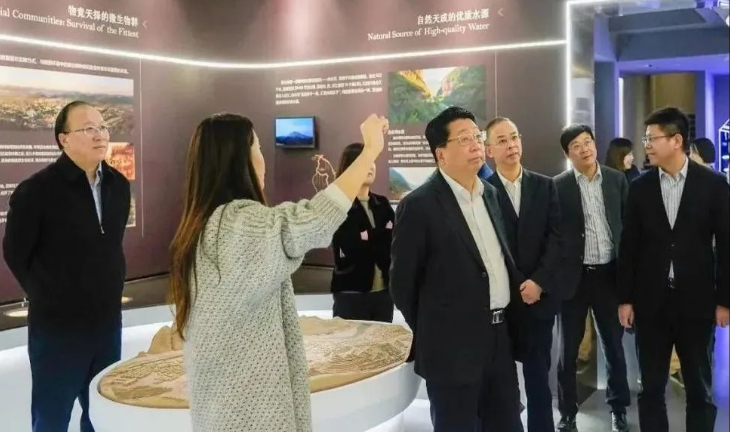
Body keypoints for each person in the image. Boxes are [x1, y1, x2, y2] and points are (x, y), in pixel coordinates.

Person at [167, 113, 388, 432]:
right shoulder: (237, 223)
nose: (263, 158)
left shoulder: (206, 226)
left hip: (224, 409)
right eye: (257, 147)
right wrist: (369, 151)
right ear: (239, 159)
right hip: (251, 414)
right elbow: (314, 220)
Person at [390, 106, 525, 432]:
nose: (476, 144)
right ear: (441, 154)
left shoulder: (491, 194)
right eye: (464, 139)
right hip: (451, 349)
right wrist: (438, 330)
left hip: (499, 339)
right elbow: (403, 285)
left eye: (477, 136)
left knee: (507, 423)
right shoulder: (418, 205)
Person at [2, 101, 131, 432]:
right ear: (64, 139)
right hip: (57, 331)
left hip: (106, 323)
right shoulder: (36, 191)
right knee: (51, 418)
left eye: (103, 127)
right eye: (88, 129)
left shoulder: (119, 185)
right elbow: (15, 253)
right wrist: (49, 294)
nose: (100, 135)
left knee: (102, 415)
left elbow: (111, 245)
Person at [618, 107, 729, 432]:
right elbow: (629, 246)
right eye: (646, 139)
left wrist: (724, 300)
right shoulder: (640, 187)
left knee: (699, 389)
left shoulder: (713, 184)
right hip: (650, 303)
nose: (647, 146)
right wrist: (625, 298)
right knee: (651, 389)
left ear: (676, 140)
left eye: (652, 139)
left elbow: (726, 245)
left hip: (697, 302)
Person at [484, 117, 562, 432]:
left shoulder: (545, 185)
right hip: (501, 305)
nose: (511, 145)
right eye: (502, 140)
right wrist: (518, 286)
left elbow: (556, 239)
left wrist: (539, 282)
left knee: (538, 380)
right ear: (489, 150)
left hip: (538, 301)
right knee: (503, 385)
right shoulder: (483, 191)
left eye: (514, 137)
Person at [553, 124, 631, 432]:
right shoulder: (558, 186)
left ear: (595, 145)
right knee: (568, 351)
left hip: (609, 275)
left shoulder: (616, 179)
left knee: (614, 347)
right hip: (574, 279)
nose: (584, 148)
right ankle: (567, 412)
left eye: (588, 142)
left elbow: (628, 227)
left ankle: (618, 409)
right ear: (567, 153)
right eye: (576, 145)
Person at [330, 142, 395, 322]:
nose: (371, 166)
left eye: (372, 160)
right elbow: (348, 246)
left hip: (383, 294)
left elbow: (393, 242)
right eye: (364, 161)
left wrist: (367, 236)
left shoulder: (382, 204)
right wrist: (380, 234)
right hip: (351, 293)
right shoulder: (339, 206)